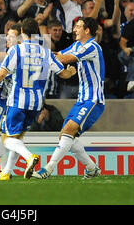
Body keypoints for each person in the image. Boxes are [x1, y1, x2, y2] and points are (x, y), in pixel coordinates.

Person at [0, 18, 76, 180]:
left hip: (18, 101)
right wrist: (71, 72)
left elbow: (1, 73)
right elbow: (63, 74)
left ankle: (29, 157)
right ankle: (6, 172)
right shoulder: (45, 52)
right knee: (17, 138)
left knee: (7, 139)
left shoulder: (17, 51)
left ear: (22, 32)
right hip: (36, 104)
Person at [35, 17, 105, 179]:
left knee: (68, 131)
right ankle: (92, 168)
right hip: (82, 100)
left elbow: (65, 59)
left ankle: (48, 168)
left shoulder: (92, 47)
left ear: (87, 30)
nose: (74, 30)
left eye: (78, 27)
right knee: (66, 136)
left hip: (93, 100)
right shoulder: (78, 45)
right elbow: (59, 54)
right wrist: (42, 55)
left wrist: (39, 58)